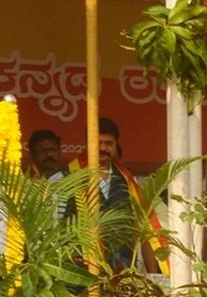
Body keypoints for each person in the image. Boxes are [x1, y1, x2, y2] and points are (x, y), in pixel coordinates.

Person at [66, 117, 163, 274]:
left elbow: (144, 231)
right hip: (81, 278)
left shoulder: (129, 182)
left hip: (122, 277)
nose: (103, 148)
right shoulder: (66, 178)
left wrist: (153, 276)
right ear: (87, 144)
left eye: (108, 143)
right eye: (98, 143)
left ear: (116, 145)